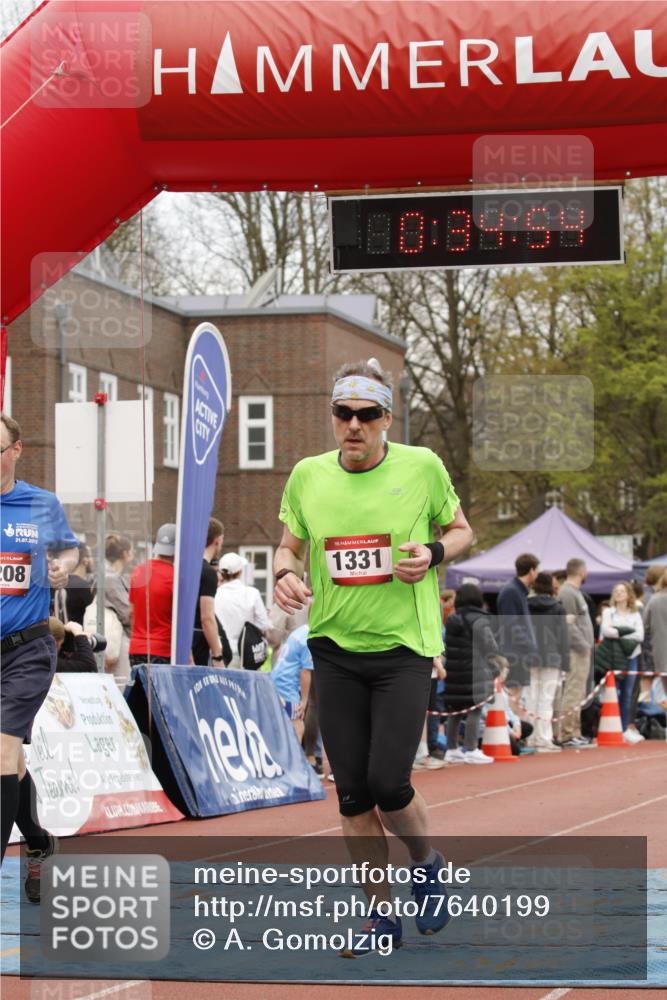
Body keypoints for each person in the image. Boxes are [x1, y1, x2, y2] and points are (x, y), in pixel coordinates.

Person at [273, 359, 473, 955]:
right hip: (333, 650)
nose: (353, 425)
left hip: (403, 650)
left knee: (389, 782)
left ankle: (426, 862)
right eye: (343, 413)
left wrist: (434, 552)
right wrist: (284, 575)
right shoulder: (308, 476)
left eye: (365, 415)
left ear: (387, 418)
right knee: (353, 794)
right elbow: (287, 547)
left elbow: (462, 530)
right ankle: (381, 916)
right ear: (333, 416)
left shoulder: (421, 466)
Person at [0, 413, 79, 900]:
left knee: (2, 752)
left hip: (26, 649)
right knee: (12, 763)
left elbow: (69, 552)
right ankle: (38, 840)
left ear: (16, 450)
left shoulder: (40, 504)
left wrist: (60, 568)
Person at [443, 583, 502, 765]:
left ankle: (451, 749)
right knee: (475, 709)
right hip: (475, 670)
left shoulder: (452, 620)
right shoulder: (479, 619)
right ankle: (471, 749)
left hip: (454, 671)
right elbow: (491, 647)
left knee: (455, 711)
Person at [526, 572, 570, 752]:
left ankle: (530, 736)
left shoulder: (526, 605)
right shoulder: (558, 608)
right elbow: (563, 638)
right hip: (552, 657)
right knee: (546, 699)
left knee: (531, 697)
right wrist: (565, 663)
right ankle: (544, 738)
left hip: (530, 655)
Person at [554, 558, 595, 748]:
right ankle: (566, 733)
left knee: (579, 692)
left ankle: (575, 731)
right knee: (572, 691)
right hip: (575, 650)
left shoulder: (575, 592)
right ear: (581, 571)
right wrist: (582, 645)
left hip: (582, 650)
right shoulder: (568, 593)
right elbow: (568, 624)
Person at [600, 581, 644, 743]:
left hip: (632, 656)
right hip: (614, 657)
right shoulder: (608, 612)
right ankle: (612, 727)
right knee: (613, 691)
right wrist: (627, 633)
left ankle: (625, 728)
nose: (618, 593)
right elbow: (606, 631)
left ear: (628, 594)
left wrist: (618, 633)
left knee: (628, 692)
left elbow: (640, 636)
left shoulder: (635, 613)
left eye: (622, 591)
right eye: (616, 591)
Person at [128, 524, 176, 667]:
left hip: (136, 648)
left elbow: (131, 612)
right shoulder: (175, 577)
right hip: (163, 650)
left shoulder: (139, 571)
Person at [214, 552, 270, 669]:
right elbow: (264, 624)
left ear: (221, 573)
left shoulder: (215, 595)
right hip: (248, 653)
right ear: (240, 572)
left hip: (223, 654)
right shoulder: (252, 593)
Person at [192, 518, 232, 667]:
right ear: (217, 540)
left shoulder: (187, 567)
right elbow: (207, 618)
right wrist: (218, 656)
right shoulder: (208, 572)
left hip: (183, 641)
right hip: (199, 642)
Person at [496, 554, 540, 688]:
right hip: (514, 654)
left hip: (520, 653)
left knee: (518, 693)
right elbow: (511, 625)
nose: (537, 574)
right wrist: (530, 646)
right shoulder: (511, 591)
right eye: (537, 570)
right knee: (514, 693)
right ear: (531, 571)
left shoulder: (518, 591)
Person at [53, 543, 94, 626]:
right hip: (79, 632)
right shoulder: (83, 586)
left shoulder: (58, 583)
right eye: (90, 556)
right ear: (85, 560)